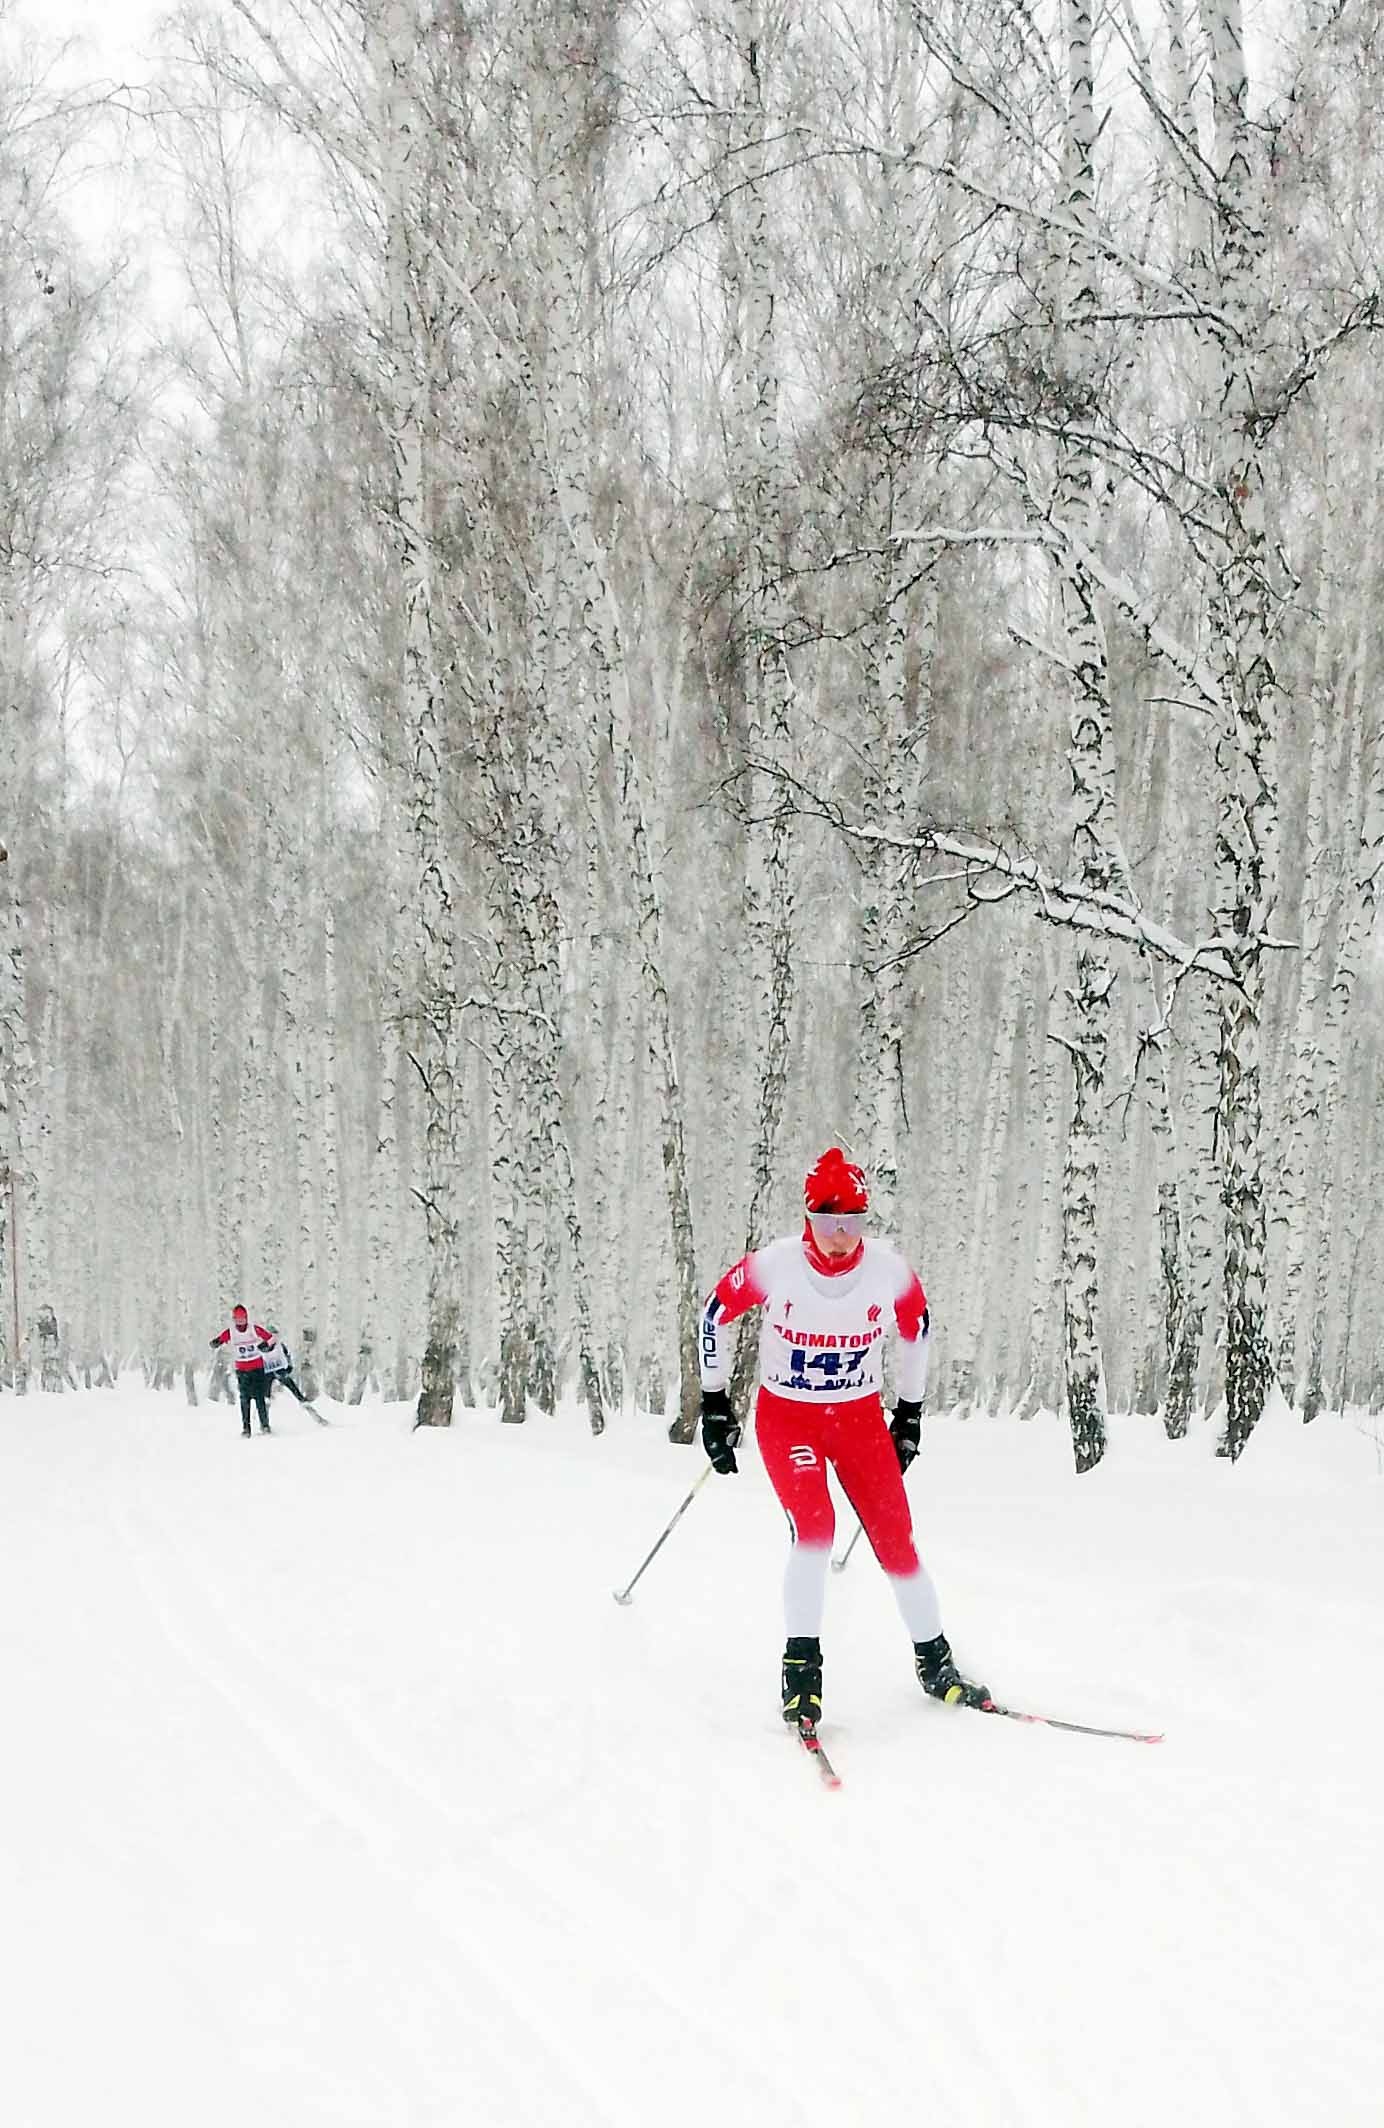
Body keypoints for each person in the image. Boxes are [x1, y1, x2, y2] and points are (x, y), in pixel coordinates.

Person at [699, 1145, 990, 1731]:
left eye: (854, 1222)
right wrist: (713, 1403)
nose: (840, 1237)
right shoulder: (775, 1264)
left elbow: (917, 1333)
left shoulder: (889, 1271)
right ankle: (801, 1674)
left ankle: (936, 1665)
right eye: (829, 1222)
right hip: (790, 1419)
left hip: (857, 1420)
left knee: (897, 1542)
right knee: (816, 1528)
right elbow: (715, 1314)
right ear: (808, 1217)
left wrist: (909, 1413)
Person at [209, 1303, 274, 1436]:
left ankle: (265, 1425)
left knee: (259, 1398)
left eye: (243, 1318)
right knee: (244, 1399)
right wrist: (216, 1342)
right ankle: (246, 1428)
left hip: (257, 1368)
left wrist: (266, 1345)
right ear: (234, 1319)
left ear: (246, 1318)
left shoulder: (253, 1329)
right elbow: (221, 1339)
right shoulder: (231, 1332)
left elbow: (271, 1338)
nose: (240, 1321)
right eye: (238, 1319)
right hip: (242, 1369)